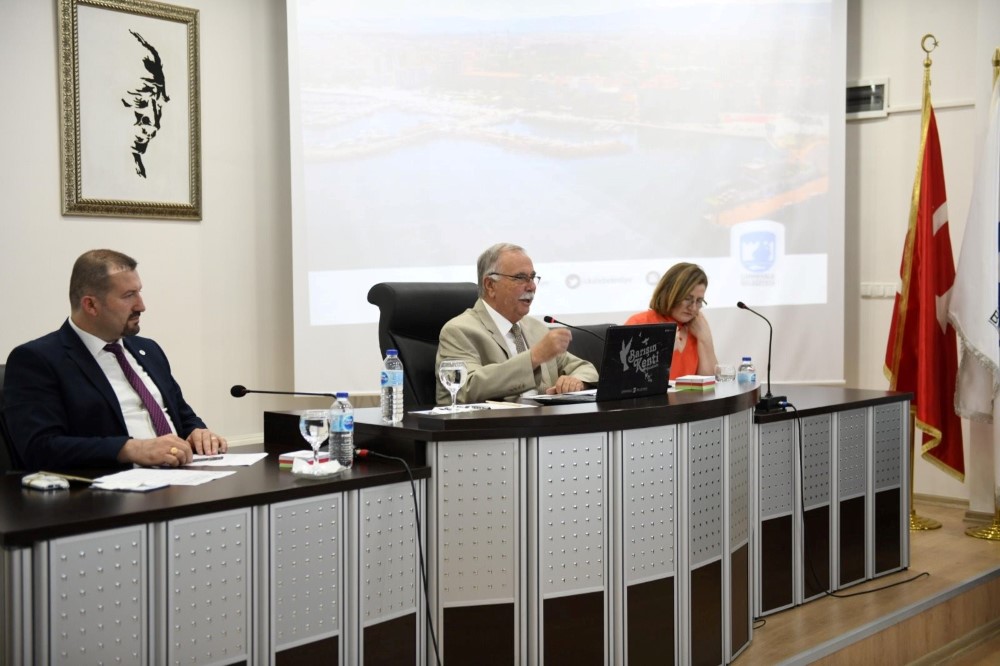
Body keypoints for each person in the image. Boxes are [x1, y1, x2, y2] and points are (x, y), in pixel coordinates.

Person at [3, 249, 227, 471]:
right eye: (129, 296)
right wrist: (130, 449)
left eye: (139, 292)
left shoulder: (148, 349)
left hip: (181, 478)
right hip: (107, 488)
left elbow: (183, 416)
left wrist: (198, 433)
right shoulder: (37, 360)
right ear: (91, 305)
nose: (141, 305)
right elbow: (39, 448)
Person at [436, 243, 598, 404]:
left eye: (532, 277)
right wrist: (533, 358)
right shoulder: (459, 331)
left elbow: (584, 368)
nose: (532, 286)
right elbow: (465, 389)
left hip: (545, 418)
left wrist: (577, 381)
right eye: (520, 278)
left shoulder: (537, 329)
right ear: (490, 285)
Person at [625, 262, 718, 379]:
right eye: (687, 299)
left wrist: (705, 339)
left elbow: (709, 380)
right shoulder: (639, 322)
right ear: (669, 294)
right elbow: (627, 377)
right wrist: (663, 348)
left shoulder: (697, 325)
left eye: (699, 301)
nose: (693, 307)